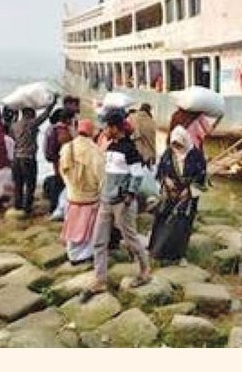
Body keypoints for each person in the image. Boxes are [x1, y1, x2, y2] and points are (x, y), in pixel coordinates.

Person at [80, 109, 151, 302]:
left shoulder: (130, 149)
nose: (104, 130)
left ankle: (145, 271)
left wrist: (129, 195)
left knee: (130, 239)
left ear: (115, 128)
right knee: (99, 241)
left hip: (122, 202)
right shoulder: (111, 147)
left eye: (107, 127)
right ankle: (100, 279)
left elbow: (138, 174)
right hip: (106, 201)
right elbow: (108, 174)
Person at [148, 126, 207, 263]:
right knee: (162, 219)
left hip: (187, 195)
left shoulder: (196, 156)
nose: (177, 148)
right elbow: (161, 169)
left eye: (179, 145)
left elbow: (202, 177)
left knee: (181, 224)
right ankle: (157, 251)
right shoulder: (169, 153)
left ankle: (177, 255)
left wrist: (189, 191)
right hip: (171, 192)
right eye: (174, 145)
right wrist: (166, 180)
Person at [59, 119, 105, 264]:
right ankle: (85, 255)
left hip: (72, 195)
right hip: (90, 198)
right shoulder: (95, 151)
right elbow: (101, 177)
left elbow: (63, 171)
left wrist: (70, 185)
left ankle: (72, 254)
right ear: (91, 132)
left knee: (72, 226)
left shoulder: (68, 148)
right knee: (88, 229)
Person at [10, 97, 57, 215]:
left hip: (16, 158)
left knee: (18, 184)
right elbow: (44, 116)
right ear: (30, 114)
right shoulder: (31, 124)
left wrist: (14, 114)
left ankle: (18, 206)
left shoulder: (15, 125)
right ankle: (27, 208)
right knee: (30, 184)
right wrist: (52, 103)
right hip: (28, 158)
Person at [44, 108, 74, 217]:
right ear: (67, 119)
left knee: (58, 182)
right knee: (60, 183)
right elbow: (66, 146)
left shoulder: (52, 128)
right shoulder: (62, 130)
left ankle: (54, 207)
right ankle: (56, 207)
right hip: (61, 161)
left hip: (55, 160)